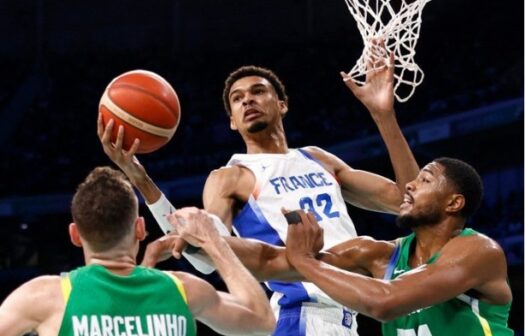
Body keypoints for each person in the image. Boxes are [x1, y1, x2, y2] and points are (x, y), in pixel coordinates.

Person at [98, 48, 419, 335]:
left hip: (349, 314)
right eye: (237, 99)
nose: (247, 100)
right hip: (300, 314)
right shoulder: (231, 177)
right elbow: (208, 254)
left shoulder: (318, 159)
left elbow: (410, 201)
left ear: (282, 105)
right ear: (233, 123)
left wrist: (383, 116)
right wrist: (140, 178)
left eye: (257, 92)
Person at [146, 157, 512, 335]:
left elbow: (383, 302)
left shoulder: (479, 251)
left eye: (425, 179)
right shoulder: (380, 253)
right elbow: (274, 261)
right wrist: (208, 241)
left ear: (454, 203)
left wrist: (306, 262)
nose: (411, 186)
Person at [0, 167, 275, 336]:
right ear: (141, 229)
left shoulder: (42, 297)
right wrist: (214, 241)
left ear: (75, 234)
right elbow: (262, 321)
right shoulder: (185, 290)